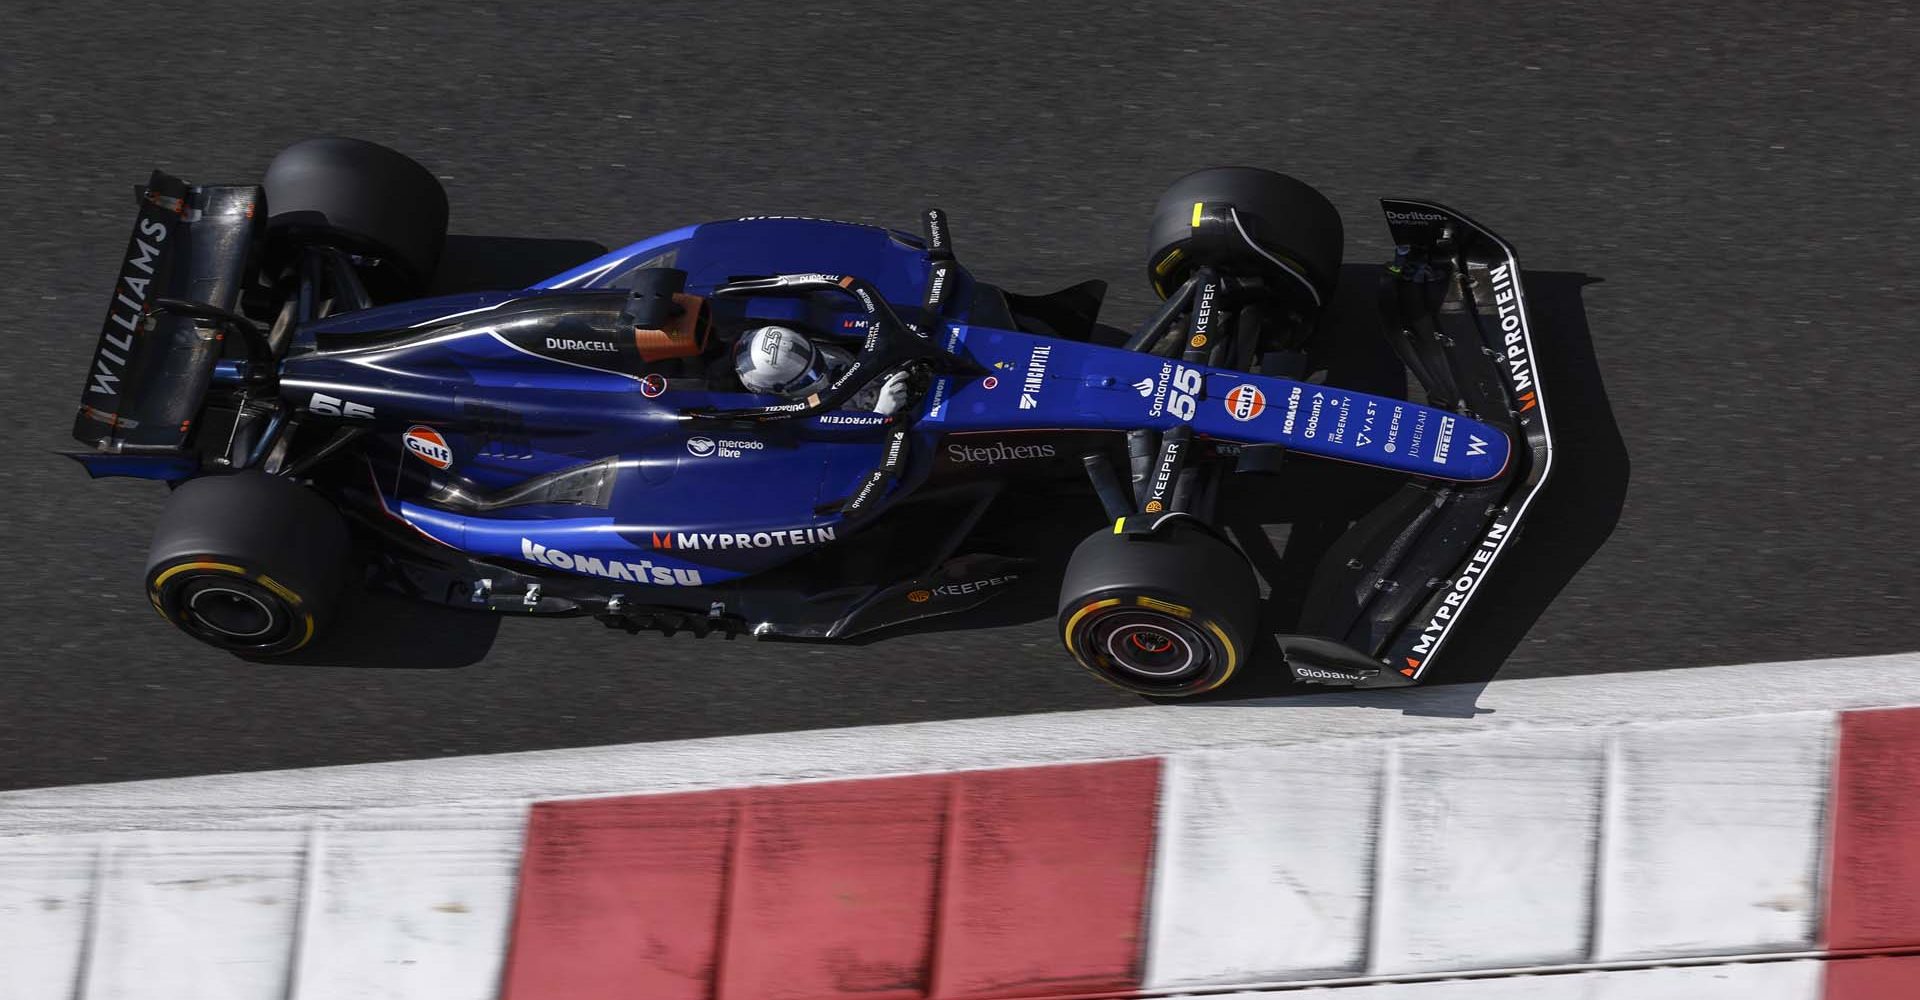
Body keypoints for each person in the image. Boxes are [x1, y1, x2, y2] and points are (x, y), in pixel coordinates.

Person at [731, 324, 911, 414]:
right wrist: (880, 415)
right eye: (809, 376)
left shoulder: (827, 355)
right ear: (779, 390)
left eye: (816, 361)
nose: (823, 372)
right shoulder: (795, 417)